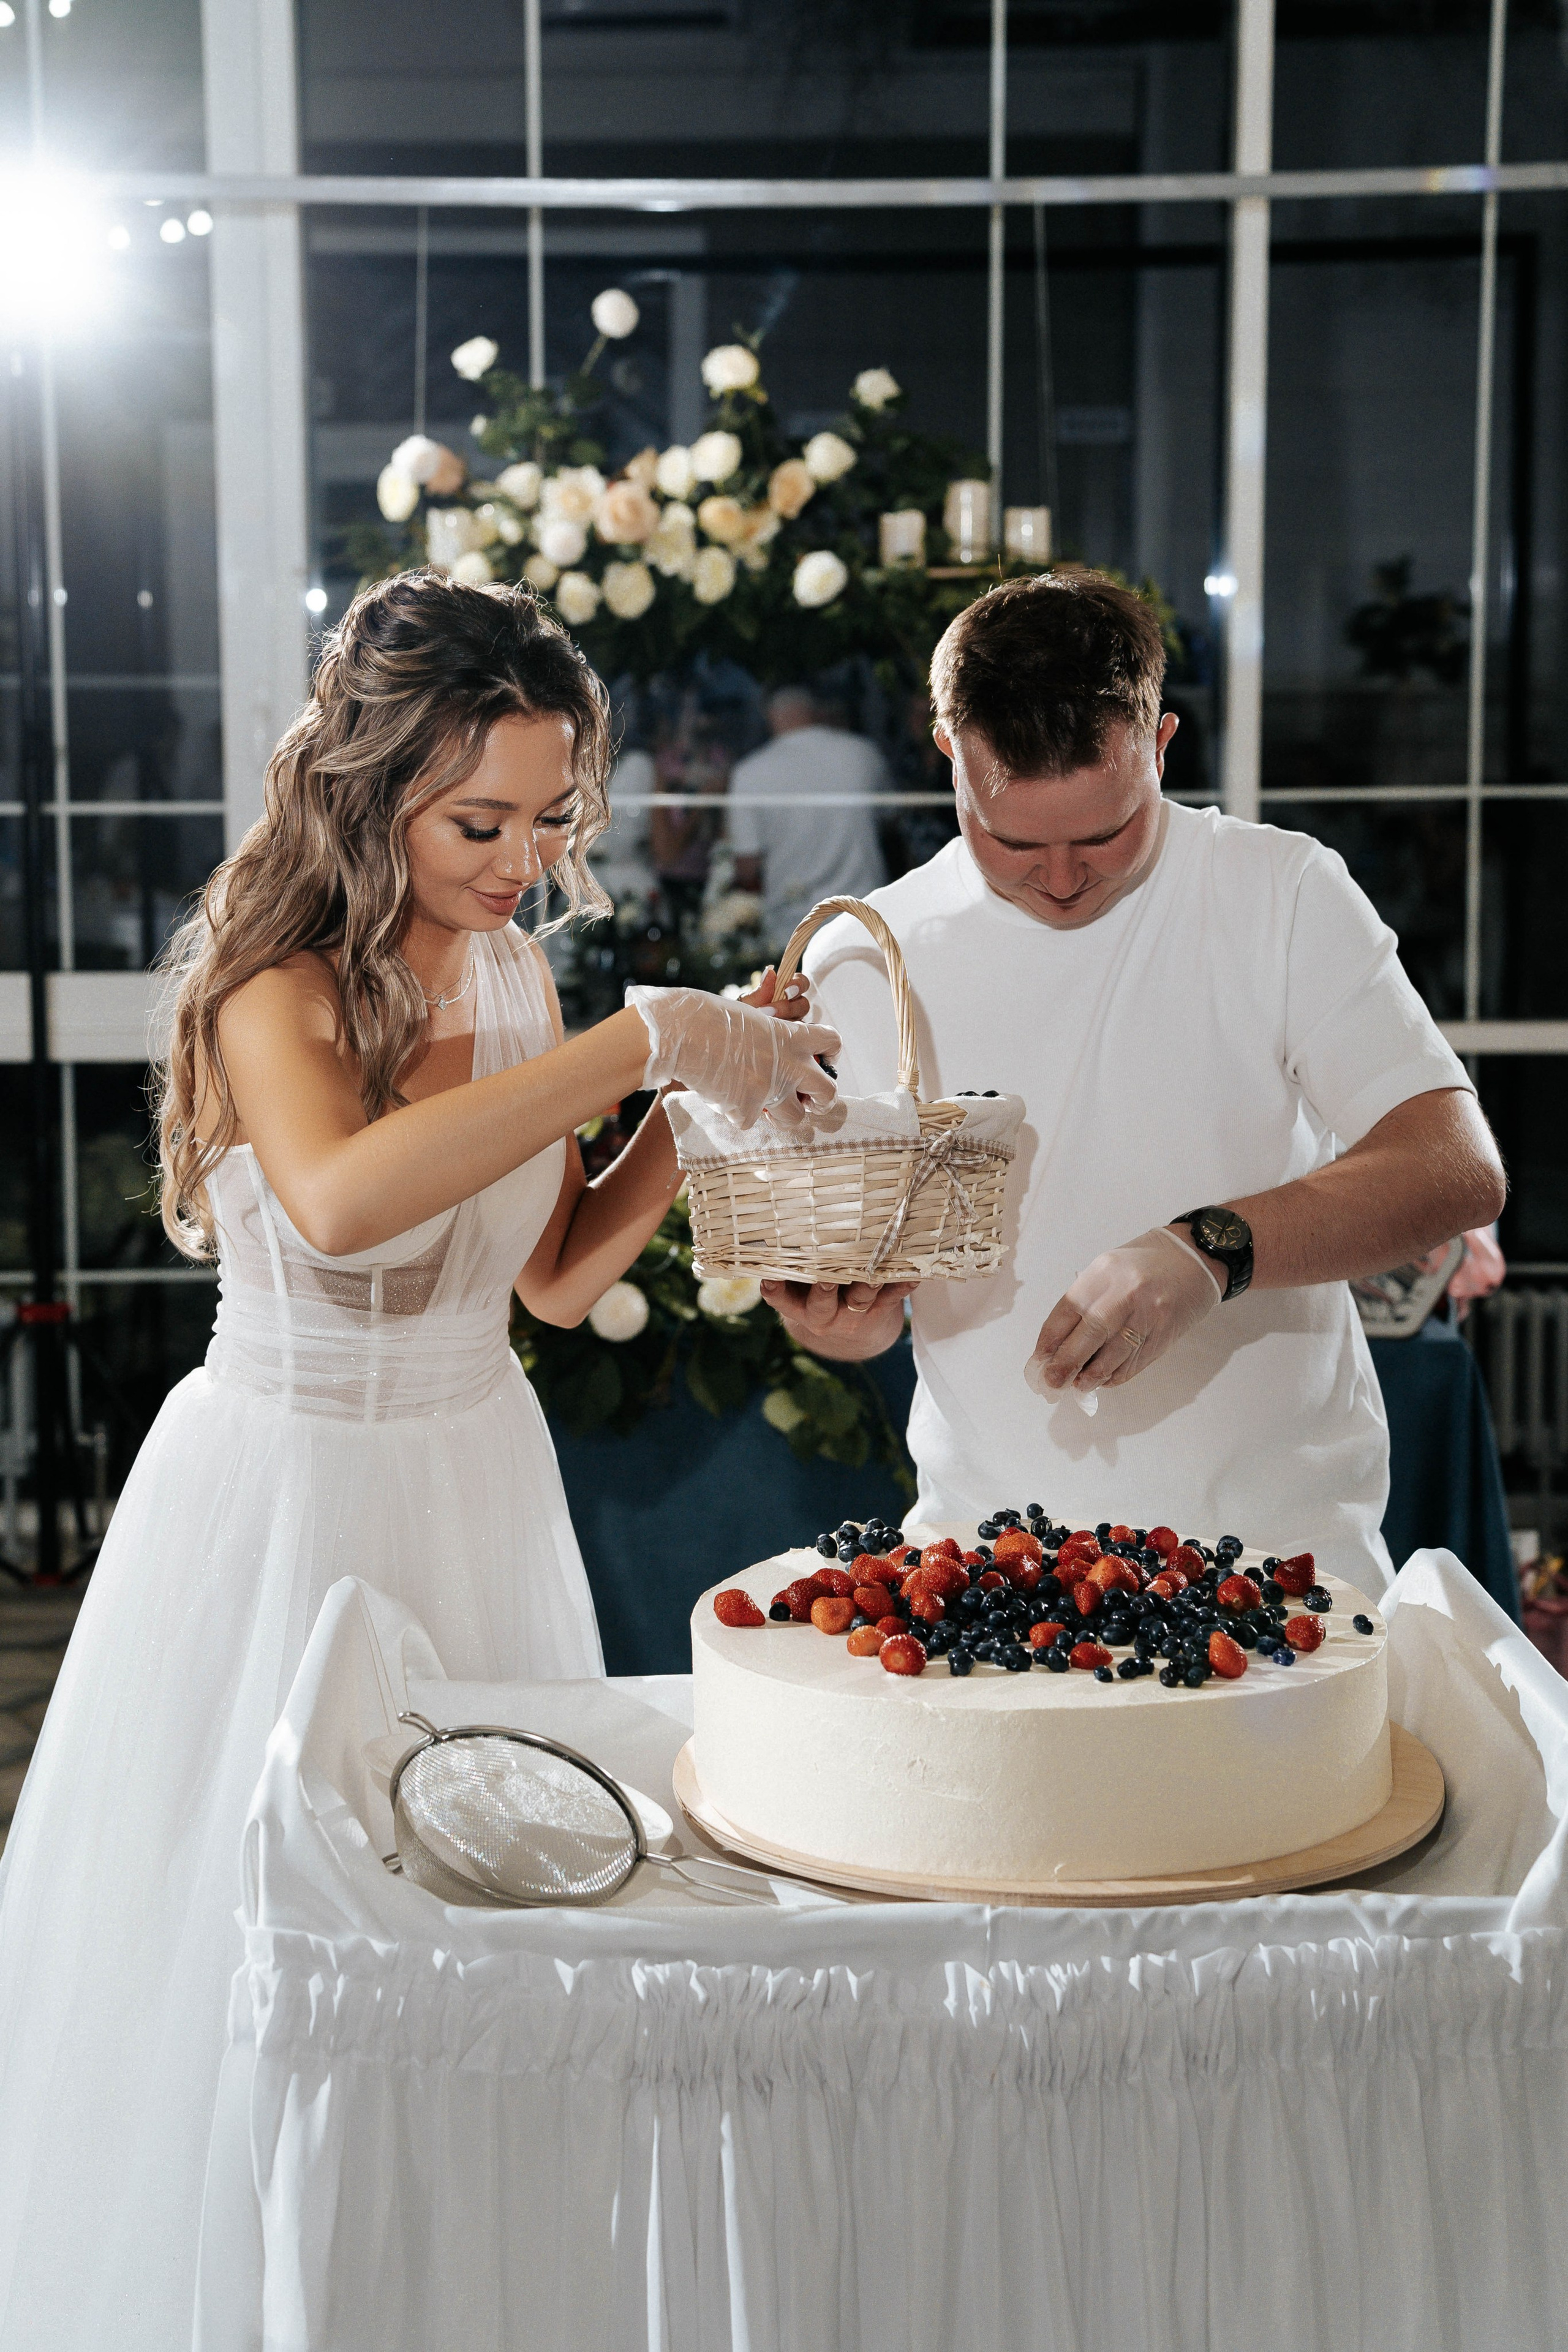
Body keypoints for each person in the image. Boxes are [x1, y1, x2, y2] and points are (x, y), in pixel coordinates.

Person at [0, 571, 837, 2351]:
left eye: (548, 818)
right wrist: (645, 1037)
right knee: (271, 1939)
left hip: (478, 1474)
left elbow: (545, 1271)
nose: (520, 858)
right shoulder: (267, 972)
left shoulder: (521, 969)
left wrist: (683, 1116)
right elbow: (344, 1196)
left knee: (488, 1937)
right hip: (285, 1499)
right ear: (364, 784)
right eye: (479, 819)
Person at [769, 571, 1506, 1590]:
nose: (1063, 877)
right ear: (951, 757)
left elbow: (1455, 1170)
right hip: (990, 1566)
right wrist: (844, 1324)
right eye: (1013, 840)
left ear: (1160, 745)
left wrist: (1210, 1252)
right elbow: (875, 1305)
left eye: (1105, 834)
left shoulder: (1280, 890)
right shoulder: (863, 957)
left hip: (1286, 1567)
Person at [729, 684, 891, 951]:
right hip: (866, 920)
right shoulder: (864, 753)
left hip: (792, 929)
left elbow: (746, 865)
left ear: (771, 718)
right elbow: (890, 822)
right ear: (814, 713)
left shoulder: (750, 772)